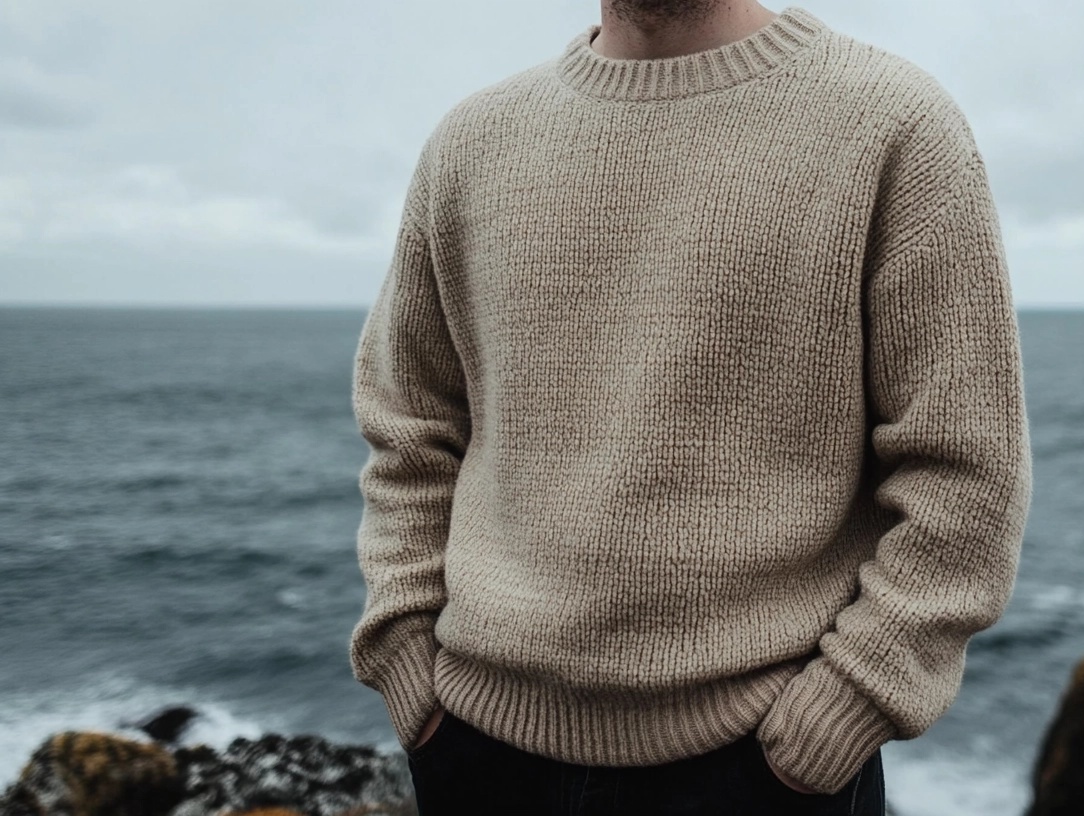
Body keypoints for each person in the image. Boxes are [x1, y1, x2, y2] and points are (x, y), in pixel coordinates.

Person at [347, 0, 1033, 812]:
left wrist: (844, 711)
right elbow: (410, 427)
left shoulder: (892, 124)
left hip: (762, 767)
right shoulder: (470, 143)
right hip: (477, 747)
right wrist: (406, 660)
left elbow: (968, 469)